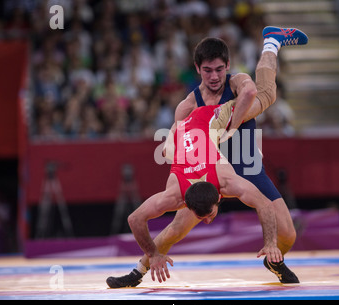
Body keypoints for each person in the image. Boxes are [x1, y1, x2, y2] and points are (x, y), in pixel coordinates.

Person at [106, 26, 308, 288]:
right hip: (207, 174)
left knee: (288, 235)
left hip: (245, 168)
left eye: (219, 70)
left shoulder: (236, 83)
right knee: (176, 229)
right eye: (207, 70)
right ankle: (138, 271)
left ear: (228, 66)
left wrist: (232, 126)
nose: (214, 77)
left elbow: (249, 92)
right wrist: (182, 177)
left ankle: (271, 42)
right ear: (196, 68)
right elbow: (179, 150)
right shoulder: (188, 107)